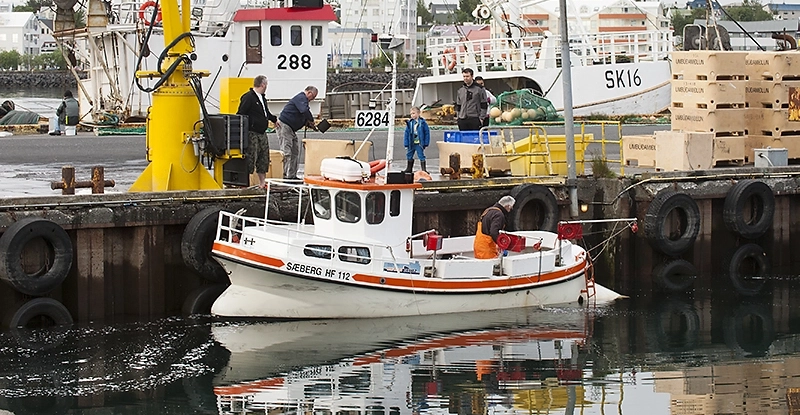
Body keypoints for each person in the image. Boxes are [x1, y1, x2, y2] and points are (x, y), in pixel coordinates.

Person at [237, 75, 278, 188]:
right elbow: (241, 113)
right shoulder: (248, 97)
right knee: (251, 156)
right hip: (252, 132)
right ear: (263, 84)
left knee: (263, 156)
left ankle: (262, 182)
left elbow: (266, 112)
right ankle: (245, 183)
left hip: (262, 132)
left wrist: (273, 119)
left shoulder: (262, 98)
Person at [278, 86, 318, 180]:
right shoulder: (301, 98)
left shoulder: (303, 101)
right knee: (286, 151)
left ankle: (291, 176)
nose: (313, 99)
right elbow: (304, 110)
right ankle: (282, 176)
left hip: (291, 128)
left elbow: (301, 113)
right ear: (309, 93)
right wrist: (311, 120)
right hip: (285, 126)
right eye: (313, 97)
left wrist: (306, 123)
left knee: (295, 152)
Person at [403, 106, 431, 173]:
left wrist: (426, 143)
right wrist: (406, 143)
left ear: (418, 113)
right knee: (409, 155)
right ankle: (409, 168)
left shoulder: (423, 123)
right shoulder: (410, 123)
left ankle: (424, 169)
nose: (412, 115)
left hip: (419, 143)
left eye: (413, 113)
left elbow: (427, 133)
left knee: (421, 155)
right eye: (411, 114)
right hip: (411, 143)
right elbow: (406, 133)